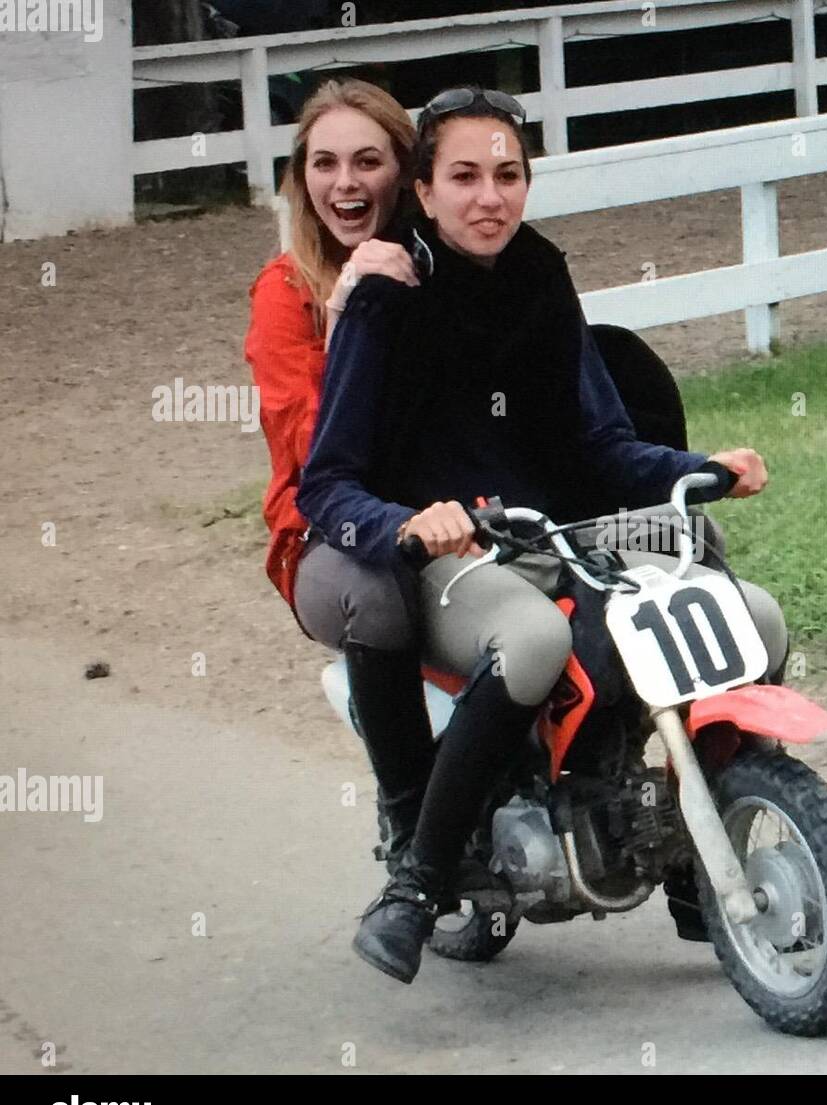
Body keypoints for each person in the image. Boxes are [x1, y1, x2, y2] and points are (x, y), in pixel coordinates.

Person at [296, 85, 790, 985]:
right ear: (425, 189)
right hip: (450, 555)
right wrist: (410, 522)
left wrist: (698, 466)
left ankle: (696, 857)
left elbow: (599, 441)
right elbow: (326, 481)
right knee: (533, 638)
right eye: (465, 177)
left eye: (508, 175)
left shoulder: (541, 273)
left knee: (749, 614)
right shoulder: (382, 294)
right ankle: (417, 882)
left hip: (556, 530)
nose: (490, 197)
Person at [244, 78, 436, 870]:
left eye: (367, 161)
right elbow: (309, 446)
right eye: (324, 164)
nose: (345, 183)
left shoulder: (442, 260)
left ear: (406, 170)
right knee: (376, 591)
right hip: (329, 527)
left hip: (454, 499)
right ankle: (414, 832)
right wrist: (350, 311)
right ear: (301, 178)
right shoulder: (286, 293)